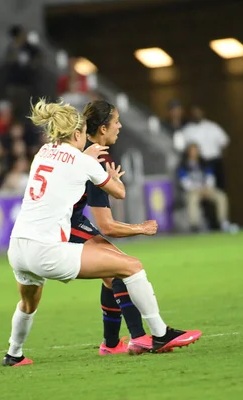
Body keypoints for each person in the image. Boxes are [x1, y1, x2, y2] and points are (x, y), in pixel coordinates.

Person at [2, 99, 201, 367]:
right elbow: (119, 192)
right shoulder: (83, 161)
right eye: (83, 134)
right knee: (131, 266)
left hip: (17, 247)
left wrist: (85, 160)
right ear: (76, 134)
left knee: (28, 302)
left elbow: (63, 168)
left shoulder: (43, 152)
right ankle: (159, 334)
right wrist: (113, 178)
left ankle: (13, 354)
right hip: (47, 250)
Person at [70, 100, 158, 356]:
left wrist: (114, 185)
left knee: (112, 272)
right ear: (102, 129)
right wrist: (140, 228)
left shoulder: (82, 150)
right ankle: (139, 337)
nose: (120, 126)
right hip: (62, 226)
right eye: (116, 121)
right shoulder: (95, 160)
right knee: (120, 267)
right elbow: (107, 225)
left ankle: (111, 345)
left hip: (66, 221)